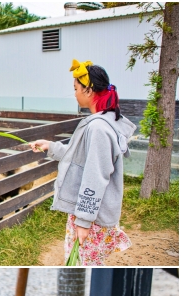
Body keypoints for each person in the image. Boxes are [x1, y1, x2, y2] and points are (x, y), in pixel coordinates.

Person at [29, 61, 136, 265]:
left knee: (81, 264)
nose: (75, 93)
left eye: (76, 89)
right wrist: (51, 147)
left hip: (92, 217)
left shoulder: (98, 129)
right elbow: (79, 158)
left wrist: (84, 221)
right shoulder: (105, 121)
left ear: (88, 90)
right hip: (91, 213)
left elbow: (95, 177)